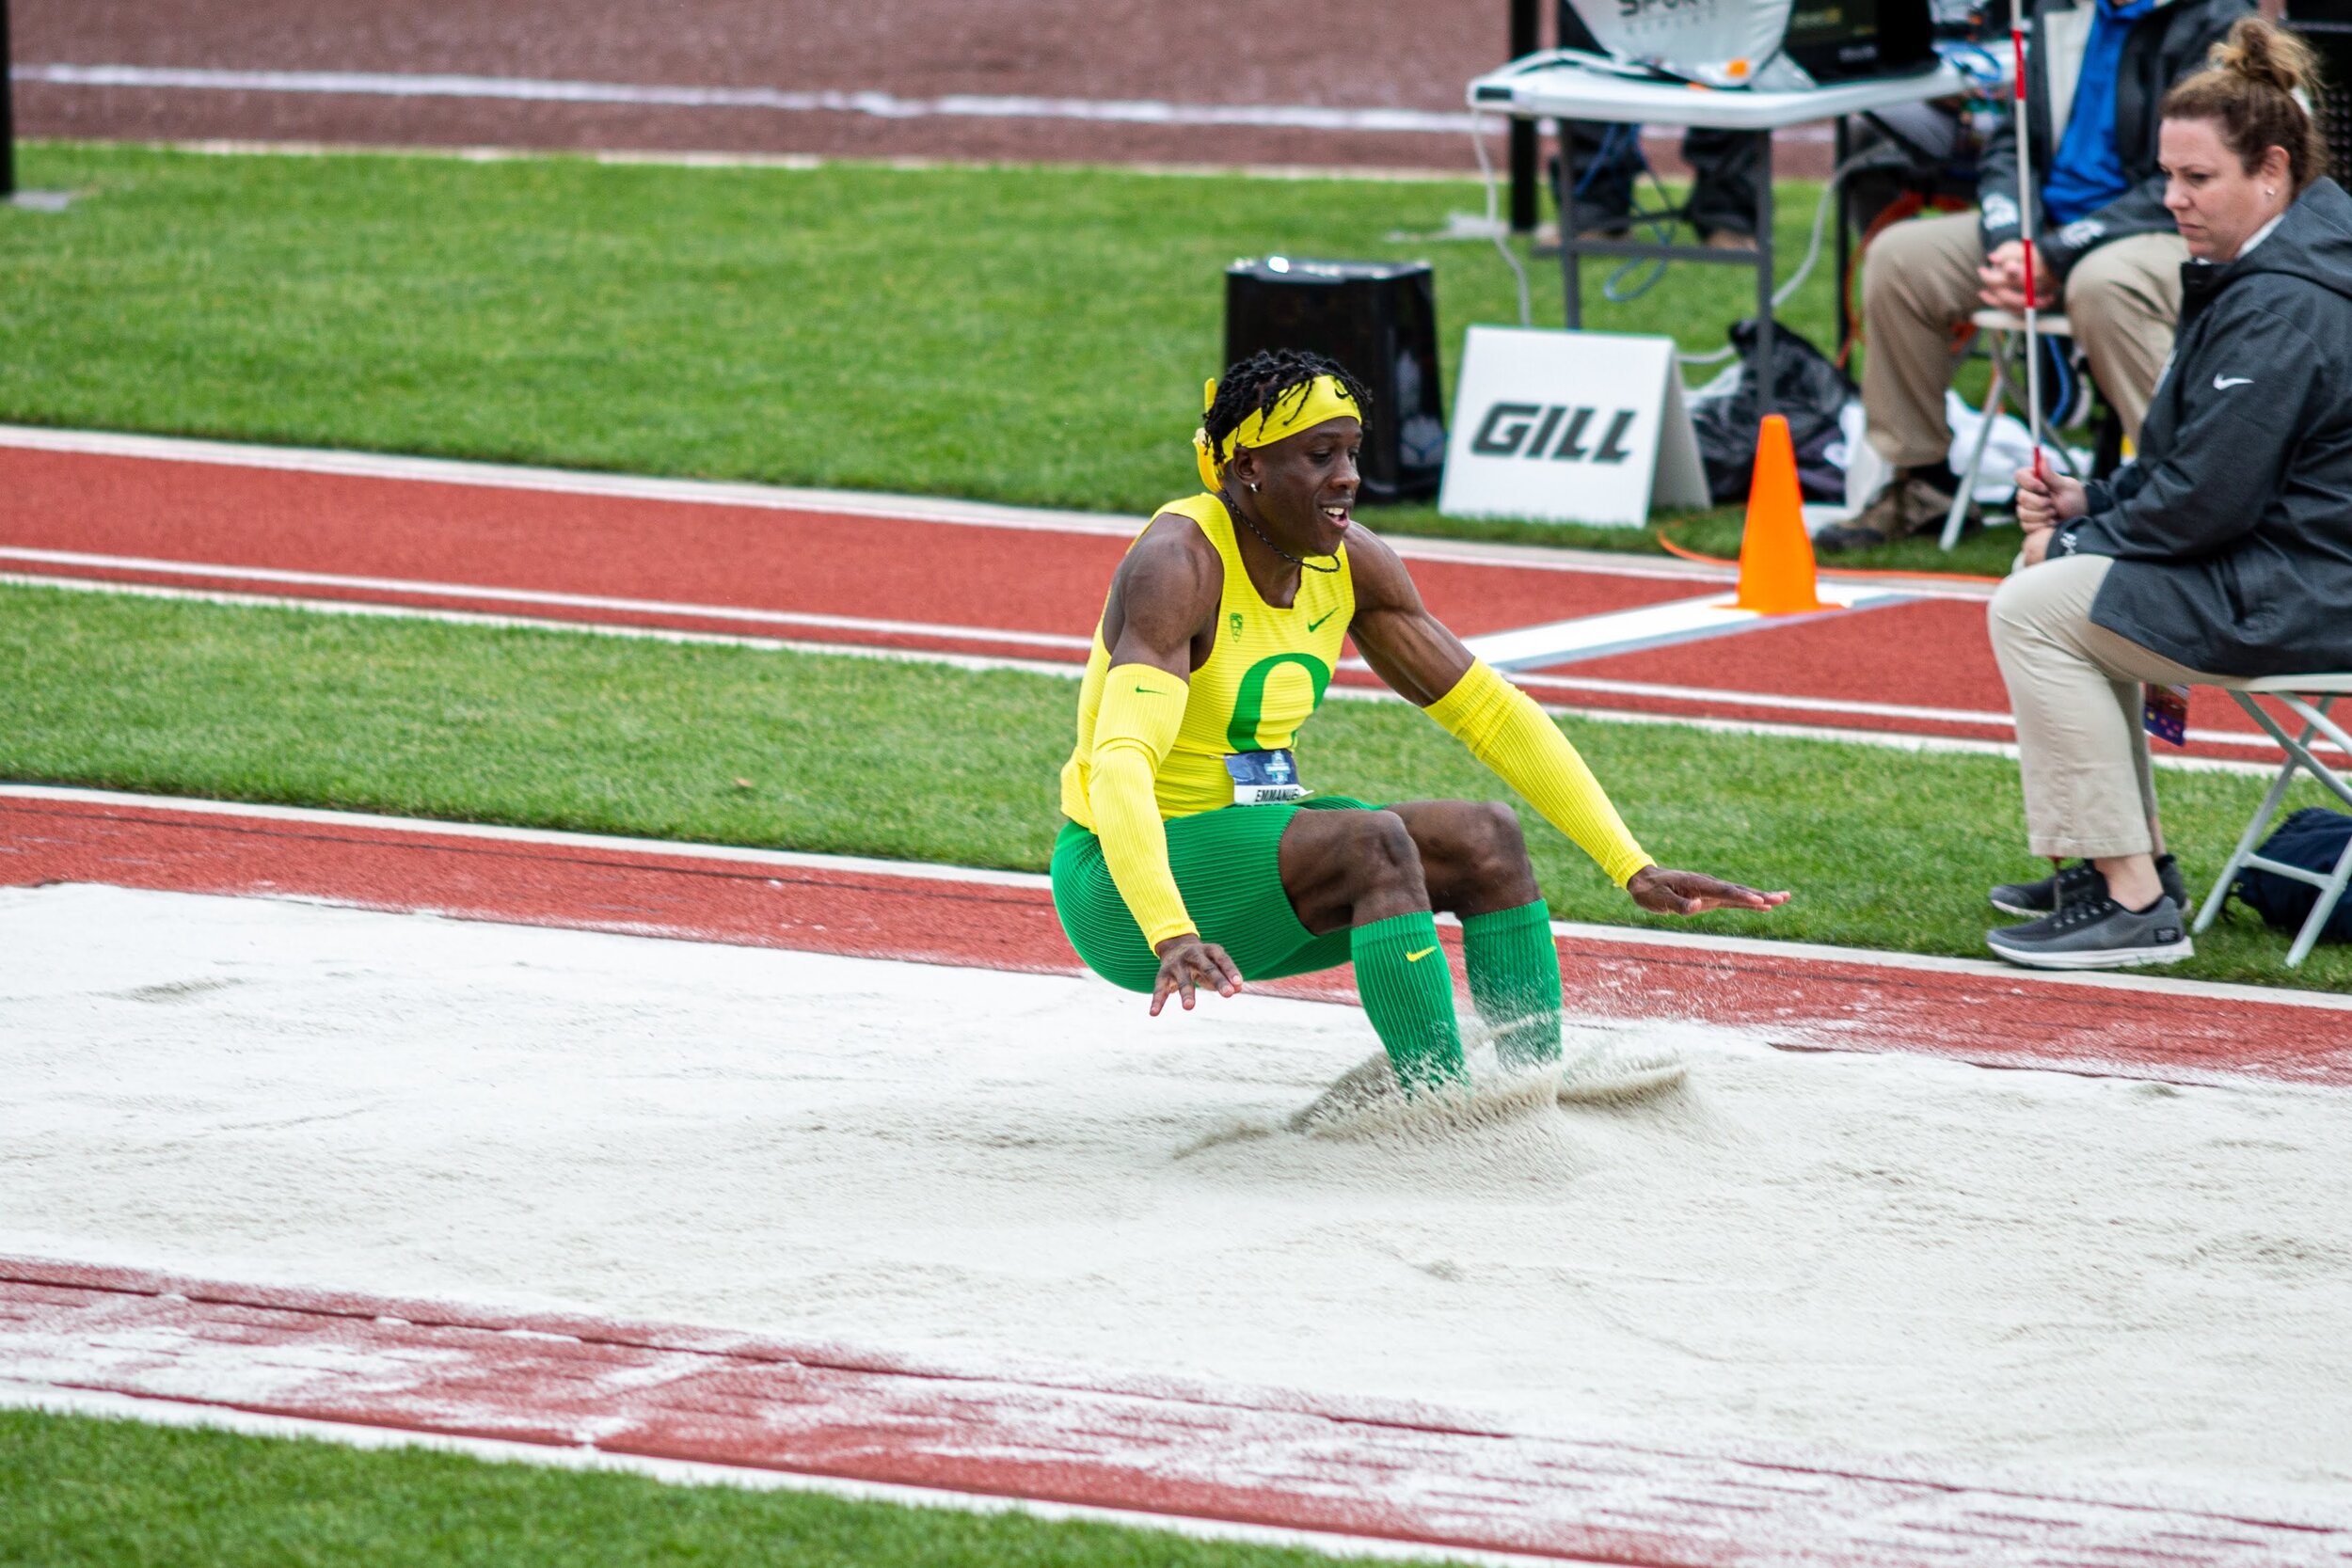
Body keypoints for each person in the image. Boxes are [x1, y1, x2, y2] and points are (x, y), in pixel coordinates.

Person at [1051, 350, 1788, 1094]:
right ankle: (1437, 1103)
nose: (1348, 476)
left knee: (1486, 837)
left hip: (1247, 861)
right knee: (1373, 842)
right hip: (1122, 887)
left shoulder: (1352, 561)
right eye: (1319, 455)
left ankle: (1528, 1089)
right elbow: (1121, 761)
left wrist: (1631, 862)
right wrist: (1169, 929)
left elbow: (1493, 716)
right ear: (1248, 468)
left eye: (1351, 452)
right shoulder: (1179, 562)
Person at [1983, 15, 2352, 969]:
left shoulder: (2290, 299)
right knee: (2058, 585)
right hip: (2293, 566)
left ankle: (2133, 898)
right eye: (2166, 176)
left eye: (2196, 179)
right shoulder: (2276, 262)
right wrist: (2089, 502)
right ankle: (2123, 864)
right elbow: (2191, 460)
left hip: (2308, 587)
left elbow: (2208, 501)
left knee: (2035, 606)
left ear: (2270, 171)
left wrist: (2076, 539)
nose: (2170, 199)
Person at [1820, 0, 2251, 552]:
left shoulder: (2214, 21)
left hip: (2165, 228)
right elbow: (2010, 140)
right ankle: (1923, 485)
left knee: (2104, 283)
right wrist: (2012, 241)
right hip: (2047, 227)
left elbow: (2189, 183)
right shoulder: (2056, 10)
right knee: (1901, 258)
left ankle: (2180, 499)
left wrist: (2054, 253)